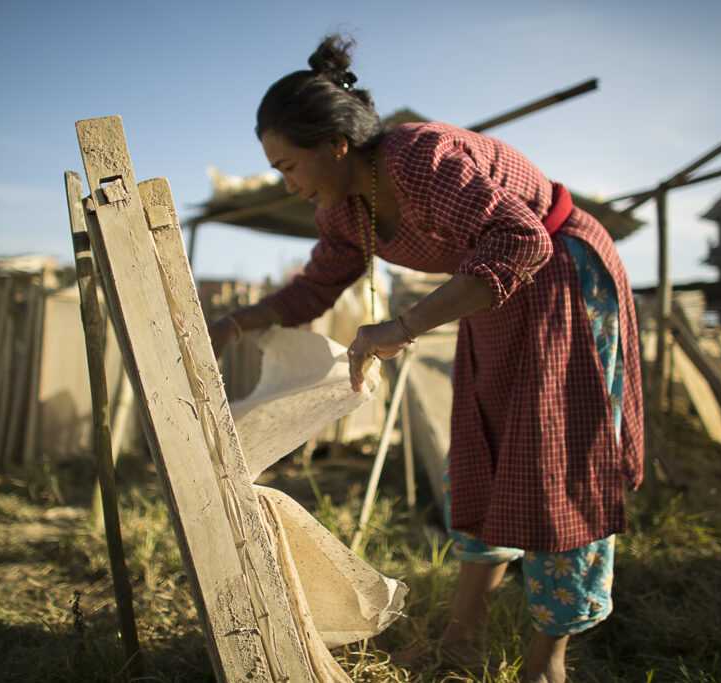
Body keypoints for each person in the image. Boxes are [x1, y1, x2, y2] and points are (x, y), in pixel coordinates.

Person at [208, 34, 643, 683]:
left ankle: (547, 662)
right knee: (485, 452)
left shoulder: (421, 159)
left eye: (288, 166)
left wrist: (405, 325)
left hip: (562, 272)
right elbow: (314, 289)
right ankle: (463, 638)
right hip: (494, 293)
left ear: (335, 143)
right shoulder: (347, 213)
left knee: (558, 461)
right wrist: (232, 325)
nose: (289, 184)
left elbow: (524, 239)